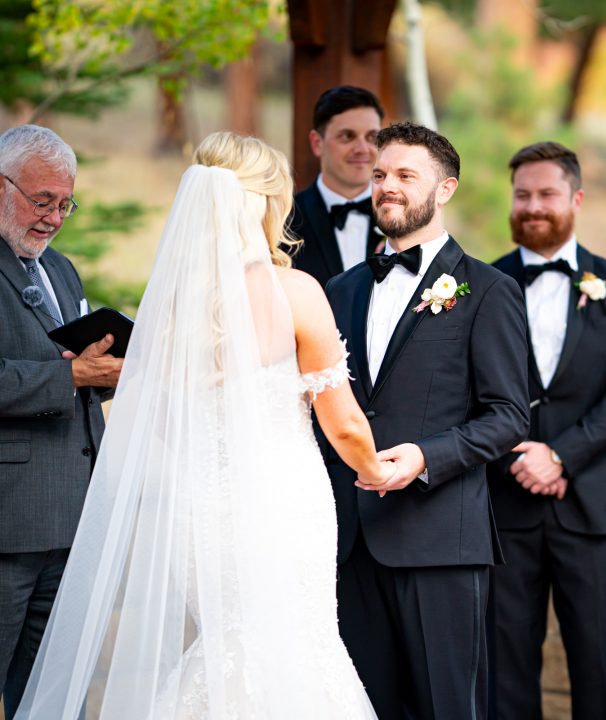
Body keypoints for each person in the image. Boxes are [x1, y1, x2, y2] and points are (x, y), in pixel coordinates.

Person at [14, 131, 395, 719]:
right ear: (265, 205)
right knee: (293, 644)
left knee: (226, 646)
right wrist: (376, 467)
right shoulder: (295, 292)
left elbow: (163, 422)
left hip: (203, 513)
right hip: (283, 504)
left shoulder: (172, 304)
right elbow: (342, 421)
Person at [323, 121, 530, 720]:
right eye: (380, 174)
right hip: (350, 542)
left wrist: (424, 458)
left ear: (445, 190)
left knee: (447, 709)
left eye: (405, 176)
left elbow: (509, 416)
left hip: (440, 539)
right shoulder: (340, 289)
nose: (387, 186)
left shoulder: (488, 290)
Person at [487, 141, 606, 719]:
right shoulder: (481, 284)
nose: (533, 206)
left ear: (576, 199)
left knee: (599, 661)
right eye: (523, 195)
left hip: (591, 504)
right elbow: (468, 392)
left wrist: (559, 456)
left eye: (547, 194)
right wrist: (520, 457)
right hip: (505, 505)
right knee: (505, 662)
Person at [0, 124, 122, 718]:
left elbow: (74, 363)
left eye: (64, 203)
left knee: (51, 689)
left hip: (71, 515)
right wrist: (71, 378)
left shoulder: (63, 269)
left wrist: (112, 371)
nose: (53, 217)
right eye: (40, 200)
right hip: (7, 520)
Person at [290, 85, 385, 288]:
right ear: (317, 143)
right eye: (347, 136)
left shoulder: (404, 216)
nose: (362, 149)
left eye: (372, 138)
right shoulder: (284, 220)